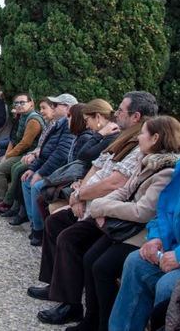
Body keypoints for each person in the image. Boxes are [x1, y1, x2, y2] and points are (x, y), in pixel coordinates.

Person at [28, 91, 158, 326]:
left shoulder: (139, 143)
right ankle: (56, 287)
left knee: (70, 238)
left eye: (120, 110)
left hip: (106, 209)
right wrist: (79, 195)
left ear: (136, 116)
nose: (116, 113)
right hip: (90, 200)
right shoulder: (123, 136)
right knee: (55, 222)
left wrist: (84, 196)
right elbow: (97, 166)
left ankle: (71, 304)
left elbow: (116, 183)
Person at [74, 116, 180, 331]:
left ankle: (99, 323)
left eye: (143, 133)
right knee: (97, 258)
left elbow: (143, 212)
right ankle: (99, 321)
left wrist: (100, 207)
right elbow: (162, 212)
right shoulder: (149, 161)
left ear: (156, 138)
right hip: (142, 232)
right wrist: (100, 205)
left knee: (106, 268)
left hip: (137, 230)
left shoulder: (166, 171)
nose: (138, 137)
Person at [110, 158, 180, 331]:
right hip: (172, 249)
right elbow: (163, 212)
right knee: (137, 263)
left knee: (167, 286)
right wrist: (157, 238)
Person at [20, 93, 77, 245]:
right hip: (52, 166)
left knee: (37, 185)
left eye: (57, 105)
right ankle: (33, 223)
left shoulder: (69, 125)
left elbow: (60, 155)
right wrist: (33, 169)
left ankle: (39, 230)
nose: (54, 107)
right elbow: (45, 151)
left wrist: (41, 173)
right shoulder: (58, 124)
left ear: (68, 108)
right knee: (26, 179)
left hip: (61, 170)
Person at [0, 93, 44, 215]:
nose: (19, 105)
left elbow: (25, 143)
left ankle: (4, 202)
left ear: (31, 103)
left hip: (27, 154)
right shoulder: (22, 117)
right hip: (19, 152)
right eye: (16, 103)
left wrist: (8, 156)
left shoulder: (33, 120)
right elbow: (14, 140)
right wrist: (6, 155)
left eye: (22, 102)